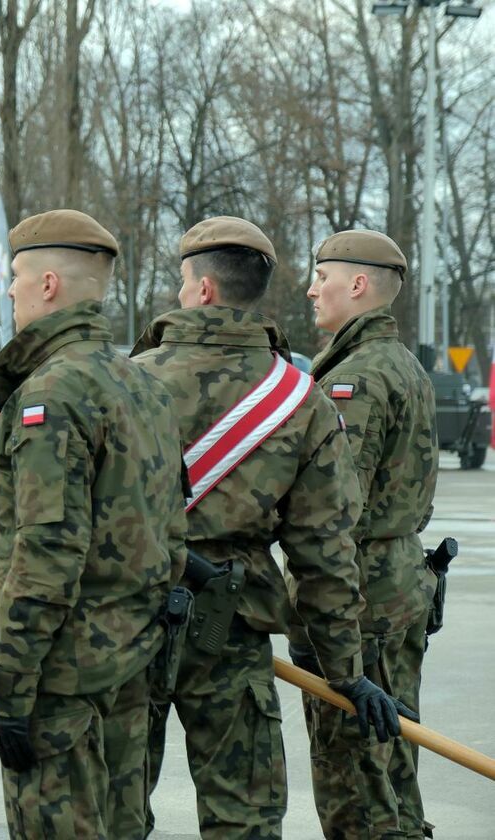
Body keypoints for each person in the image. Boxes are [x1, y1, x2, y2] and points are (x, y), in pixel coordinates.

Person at [131, 217, 414, 839]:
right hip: (230, 631)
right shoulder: (299, 396)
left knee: (113, 813)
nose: (181, 294)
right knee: (245, 818)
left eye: (183, 282)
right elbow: (324, 551)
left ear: (203, 290)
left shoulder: (128, 381)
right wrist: (344, 669)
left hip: (128, 627)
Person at [0, 210, 186, 838]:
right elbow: (171, 533)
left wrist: (11, 684)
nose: (9, 289)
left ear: (47, 284)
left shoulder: (53, 392)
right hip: (128, 662)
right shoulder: (139, 383)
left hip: (59, 678)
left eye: (16, 276)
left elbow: (45, 553)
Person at [295, 230, 439, 838]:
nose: (310, 289)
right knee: (395, 763)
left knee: (356, 778)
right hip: (400, 587)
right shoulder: (403, 365)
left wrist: (322, 623)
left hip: (360, 603)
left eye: (320, 277)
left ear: (357, 285)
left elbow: (334, 515)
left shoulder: (356, 380)